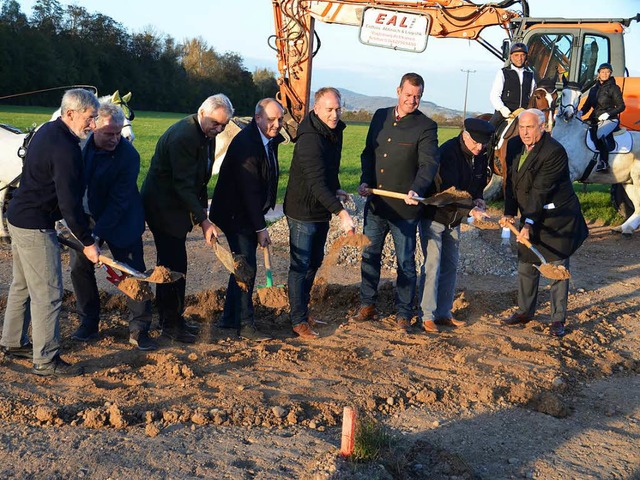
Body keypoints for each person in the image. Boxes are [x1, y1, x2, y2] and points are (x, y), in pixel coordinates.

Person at [0, 88, 100, 377]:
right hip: (34, 224)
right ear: (70, 114)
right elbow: (69, 204)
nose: (92, 125)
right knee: (50, 293)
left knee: (22, 285)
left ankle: (13, 341)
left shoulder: (48, 130)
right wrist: (87, 241)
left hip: (17, 215)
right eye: (90, 118)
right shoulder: (66, 149)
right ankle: (46, 359)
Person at [141, 94, 234, 343]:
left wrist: (201, 215)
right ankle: (169, 324)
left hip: (178, 206)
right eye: (216, 123)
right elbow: (182, 185)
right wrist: (203, 220)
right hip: (163, 206)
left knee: (176, 264)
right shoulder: (184, 136)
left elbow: (200, 181)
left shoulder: (206, 135)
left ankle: (174, 319)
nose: (220, 128)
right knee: (173, 265)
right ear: (202, 113)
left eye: (224, 125)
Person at [353, 72, 440, 331]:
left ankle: (404, 313)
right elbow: (369, 153)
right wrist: (366, 180)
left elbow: (428, 164)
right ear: (398, 91)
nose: (412, 100)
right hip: (377, 205)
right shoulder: (380, 115)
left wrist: (417, 189)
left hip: (405, 208)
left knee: (405, 262)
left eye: (418, 96)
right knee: (370, 255)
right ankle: (367, 304)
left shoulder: (426, 126)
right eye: (408, 94)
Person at [69, 100, 156, 351]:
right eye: (109, 133)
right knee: (79, 267)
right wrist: (81, 227)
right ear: (94, 126)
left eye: (119, 133)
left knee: (133, 270)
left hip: (123, 217)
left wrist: (96, 236)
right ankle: (88, 322)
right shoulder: (81, 146)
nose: (116, 138)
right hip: (88, 215)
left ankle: (139, 328)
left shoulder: (129, 156)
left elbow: (119, 202)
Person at [500, 109, 588, 337]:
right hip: (531, 213)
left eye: (530, 127)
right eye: (521, 127)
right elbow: (511, 183)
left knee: (557, 268)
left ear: (543, 127)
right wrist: (510, 212)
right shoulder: (513, 146)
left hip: (556, 217)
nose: (525, 132)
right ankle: (524, 311)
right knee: (526, 265)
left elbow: (540, 190)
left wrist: (527, 224)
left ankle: (558, 319)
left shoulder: (554, 152)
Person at [209, 98, 284, 342]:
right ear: (258, 118)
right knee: (246, 268)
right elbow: (249, 191)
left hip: (246, 211)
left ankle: (229, 318)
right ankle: (245, 324)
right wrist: (261, 228)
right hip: (235, 213)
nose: (277, 124)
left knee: (242, 265)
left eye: (280, 119)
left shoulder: (268, 139)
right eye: (271, 119)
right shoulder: (246, 144)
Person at [283, 87, 355, 340]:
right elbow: (314, 181)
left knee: (313, 263)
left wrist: (336, 189)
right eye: (329, 110)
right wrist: (342, 214)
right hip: (302, 211)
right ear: (316, 109)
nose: (335, 115)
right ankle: (297, 320)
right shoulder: (310, 138)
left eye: (338, 109)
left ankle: (303, 311)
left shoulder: (334, 132)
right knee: (300, 265)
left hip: (320, 209)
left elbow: (328, 170)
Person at [418, 118, 494, 333]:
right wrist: (471, 210)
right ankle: (426, 315)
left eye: (484, 145)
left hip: (455, 220)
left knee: (450, 265)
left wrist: (478, 198)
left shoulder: (480, 155)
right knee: (432, 265)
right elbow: (448, 193)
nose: (480, 148)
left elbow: (478, 182)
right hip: (435, 215)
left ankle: (444, 313)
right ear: (465, 134)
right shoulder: (447, 153)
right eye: (476, 143)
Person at [577, 62, 625, 172]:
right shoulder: (594, 89)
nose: (605, 74)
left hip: (610, 119)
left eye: (607, 72)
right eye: (602, 72)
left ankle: (604, 162)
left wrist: (608, 114)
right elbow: (587, 105)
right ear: (598, 73)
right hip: (595, 118)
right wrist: (579, 113)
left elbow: (621, 106)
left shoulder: (614, 88)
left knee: (599, 135)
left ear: (610, 73)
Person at [489, 42, 536, 132]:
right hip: (506, 112)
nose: (519, 58)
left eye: (522, 55)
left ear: (526, 57)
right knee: (489, 131)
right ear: (511, 56)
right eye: (516, 55)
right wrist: (502, 108)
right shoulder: (503, 72)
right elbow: (494, 95)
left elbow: (532, 95)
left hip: (523, 113)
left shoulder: (530, 75)